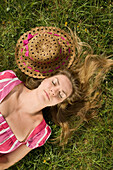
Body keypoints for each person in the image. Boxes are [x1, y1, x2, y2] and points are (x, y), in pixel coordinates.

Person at [0, 26, 113, 169]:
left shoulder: (39, 133)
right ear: (45, 78)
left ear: (60, 102)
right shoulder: (6, 80)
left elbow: (7, 161)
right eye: (54, 82)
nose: (54, 91)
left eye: (61, 94)